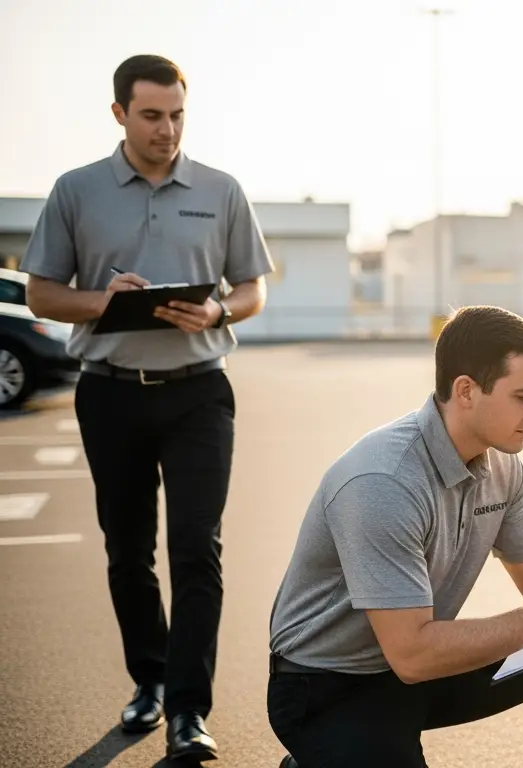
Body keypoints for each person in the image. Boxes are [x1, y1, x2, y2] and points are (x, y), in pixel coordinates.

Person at [21, 54, 273, 760]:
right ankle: (150, 682)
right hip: (109, 394)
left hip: (199, 396)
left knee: (198, 550)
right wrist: (106, 300)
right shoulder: (76, 191)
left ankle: (189, 712)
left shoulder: (221, 190)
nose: (168, 130)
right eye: (152, 116)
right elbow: (42, 293)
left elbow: (254, 287)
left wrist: (222, 307)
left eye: (178, 115)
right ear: (120, 114)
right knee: (128, 552)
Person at [265, 306, 523, 768]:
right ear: (466, 391)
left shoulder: (502, 465)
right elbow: (413, 655)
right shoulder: (383, 480)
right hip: (331, 686)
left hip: (421, 668)